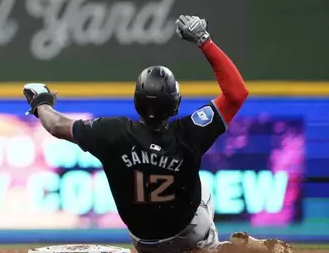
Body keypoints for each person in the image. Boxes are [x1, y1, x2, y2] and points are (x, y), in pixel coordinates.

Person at [22, 15, 292, 253]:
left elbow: (56, 125)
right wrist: (204, 41)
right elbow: (236, 93)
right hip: (188, 233)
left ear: (137, 101)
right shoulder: (189, 133)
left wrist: (40, 101)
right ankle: (209, 250)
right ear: (176, 103)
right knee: (204, 189)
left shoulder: (112, 132)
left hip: (145, 241)